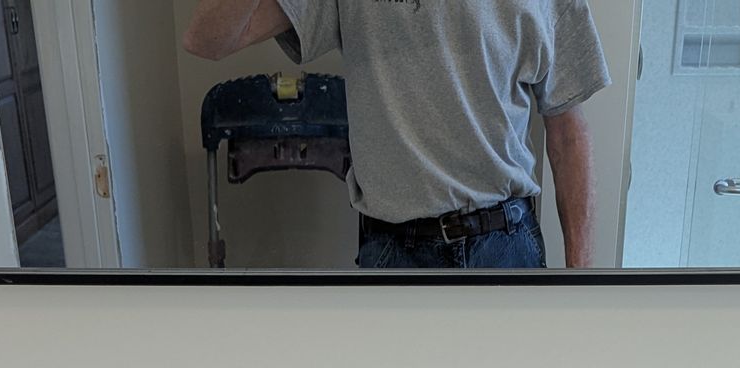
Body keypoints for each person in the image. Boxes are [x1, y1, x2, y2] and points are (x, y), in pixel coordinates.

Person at [183, 0, 610, 270]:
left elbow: (568, 132)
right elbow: (208, 38)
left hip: (506, 245)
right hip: (395, 252)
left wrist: (581, 278)